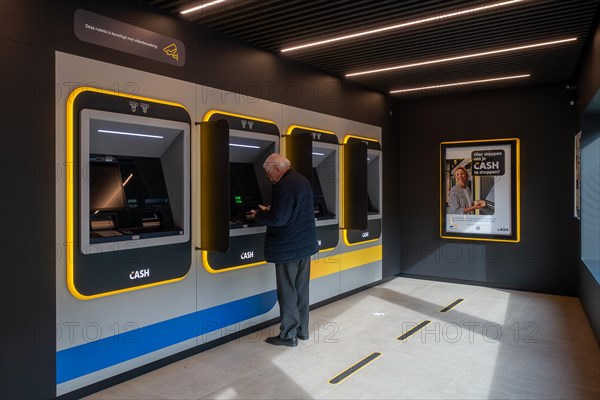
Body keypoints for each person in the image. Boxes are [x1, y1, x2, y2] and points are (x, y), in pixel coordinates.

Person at [250, 153, 318, 347]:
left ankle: (288, 335)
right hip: (304, 245)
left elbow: (278, 219)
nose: (269, 178)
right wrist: (275, 208)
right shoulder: (301, 180)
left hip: (289, 247)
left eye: (269, 173)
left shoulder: (283, 185)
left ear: (278, 169)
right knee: (301, 290)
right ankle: (302, 331)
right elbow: (293, 209)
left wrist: (259, 215)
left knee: (287, 291)